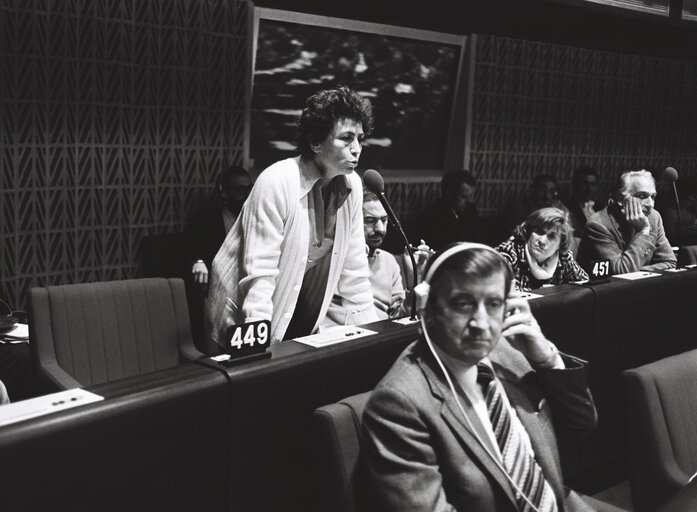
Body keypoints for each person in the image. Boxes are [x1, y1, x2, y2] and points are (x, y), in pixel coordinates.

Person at [361, 243, 597, 511]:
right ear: (430, 310)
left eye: (494, 304)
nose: (482, 324)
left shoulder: (509, 351)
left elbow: (582, 424)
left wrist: (547, 358)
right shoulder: (398, 403)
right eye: (463, 304)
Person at [205, 86, 378, 345]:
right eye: (346, 138)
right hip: (238, 323)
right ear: (315, 142)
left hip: (295, 318)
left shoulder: (351, 186)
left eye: (360, 139)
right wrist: (257, 348)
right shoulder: (277, 181)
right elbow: (259, 277)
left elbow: (355, 276)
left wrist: (375, 340)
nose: (357, 149)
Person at [578, 170, 676, 274]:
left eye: (652, 197)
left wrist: (639, 271)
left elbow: (670, 262)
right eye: (642, 196)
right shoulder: (598, 225)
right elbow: (622, 272)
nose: (650, 204)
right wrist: (643, 231)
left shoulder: (654, 217)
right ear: (621, 199)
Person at [187, 165, 252, 286]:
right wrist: (199, 262)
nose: (247, 195)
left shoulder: (255, 219)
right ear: (224, 193)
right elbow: (193, 251)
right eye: (240, 190)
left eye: (249, 189)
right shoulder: (204, 221)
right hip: (218, 284)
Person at [496, 207, 588, 290]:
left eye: (552, 236)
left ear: (560, 244)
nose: (542, 241)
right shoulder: (508, 254)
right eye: (539, 232)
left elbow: (586, 285)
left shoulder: (564, 258)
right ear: (529, 232)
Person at [413, 169, 478, 251]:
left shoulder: (470, 211)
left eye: (471, 196)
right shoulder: (433, 217)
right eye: (464, 197)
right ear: (449, 194)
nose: (469, 201)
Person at [504, 174, 569, 231]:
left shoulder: (557, 207)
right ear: (532, 189)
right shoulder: (517, 208)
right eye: (542, 189)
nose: (546, 196)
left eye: (551, 191)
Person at [564, 166, 604, 238]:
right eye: (584, 184)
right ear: (575, 185)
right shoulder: (567, 208)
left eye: (592, 184)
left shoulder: (601, 207)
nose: (589, 189)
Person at [661, 175, 697, 246]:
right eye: (692, 196)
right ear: (685, 195)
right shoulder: (671, 213)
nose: (693, 198)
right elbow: (670, 236)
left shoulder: (692, 209)